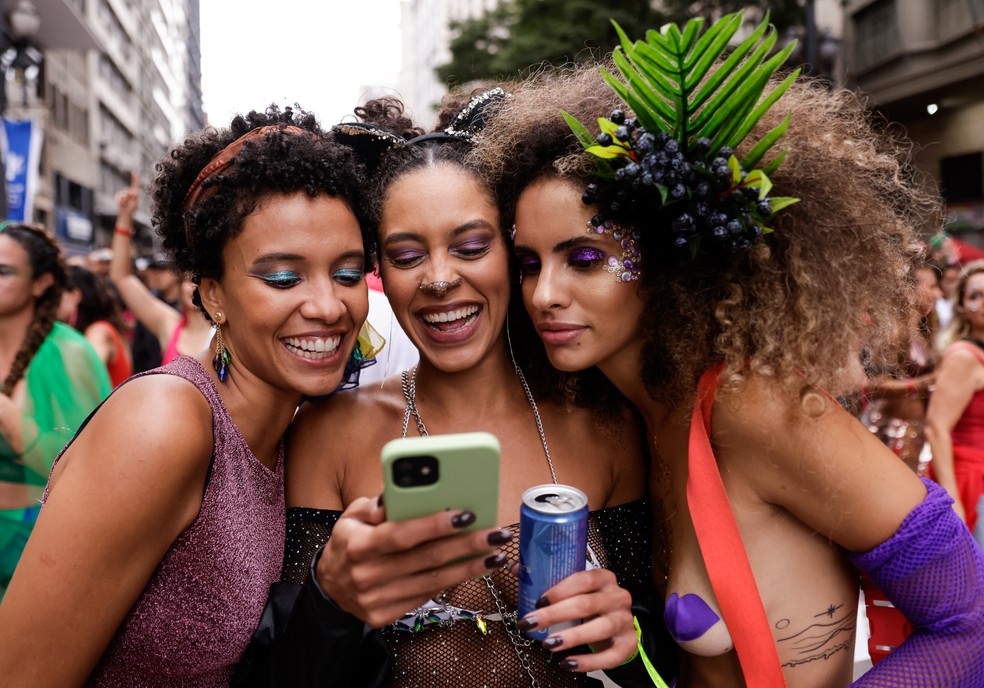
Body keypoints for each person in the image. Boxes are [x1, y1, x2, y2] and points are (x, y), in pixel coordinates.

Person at [474, 13, 984, 687]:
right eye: (529, 263)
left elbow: (967, 624)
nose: (545, 294)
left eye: (585, 258)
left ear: (668, 263)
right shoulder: (633, 417)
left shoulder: (751, 407)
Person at [255, 91, 668, 688]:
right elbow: (291, 677)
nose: (441, 279)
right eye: (406, 255)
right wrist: (330, 598)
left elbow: (662, 664)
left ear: (512, 251)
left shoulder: (605, 427)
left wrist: (629, 640)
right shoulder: (328, 435)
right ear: (382, 273)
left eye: (472, 247)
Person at [0, 105, 390, 685]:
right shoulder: (165, 422)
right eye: (283, 278)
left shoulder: (292, 427)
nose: (329, 307)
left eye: (348, 273)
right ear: (213, 296)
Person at [0, 223, 112, 598]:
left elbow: (82, 466)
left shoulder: (67, 352)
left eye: (3, 271)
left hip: (32, 543)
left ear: (41, 282)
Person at [109, 172, 213, 365]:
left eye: (201, 280)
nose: (194, 286)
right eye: (190, 280)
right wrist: (124, 218)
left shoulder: (228, 337)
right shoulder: (169, 326)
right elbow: (121, 277)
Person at [859, 260, 941, 474]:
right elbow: (873, 386)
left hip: (912, 433)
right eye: (931, 286)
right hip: (890, 431)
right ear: (909, 289)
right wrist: (923, 384)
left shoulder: (922, 333)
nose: (938, 293)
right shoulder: (893, 332)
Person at [925, 259, 984, 549]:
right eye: (976, 295)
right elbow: (936, 427)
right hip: (971, 482)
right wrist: (952, 501)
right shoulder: (964, 356)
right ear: (961, 307)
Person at [59, 264, 133, 387]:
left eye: (57, 293)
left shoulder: (99, 331)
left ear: (75, 296)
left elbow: (84, 377)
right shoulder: (98, 329)